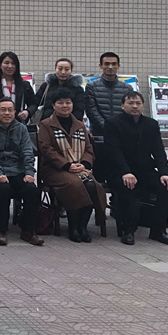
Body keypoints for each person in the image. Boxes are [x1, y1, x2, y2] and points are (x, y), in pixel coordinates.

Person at [104, 91, 168, 246]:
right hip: (119, 171)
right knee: (128, 188)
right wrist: (125, 171)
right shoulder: (112, 123)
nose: (135, 106)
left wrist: (164, 173)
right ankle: (128, 231)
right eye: (130, 103)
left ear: (143, 106)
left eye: (138, 103)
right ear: (122, 105)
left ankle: (158, 230)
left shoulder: (151, 124)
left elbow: (158, 150)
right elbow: (113, 151)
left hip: (145, 171)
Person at [38, 88, 106, 243]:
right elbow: (47, 149)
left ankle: (83, 227)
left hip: (79, 168)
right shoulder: (46, 124)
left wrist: (84, 164)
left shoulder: (80, 125)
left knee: (92, 186)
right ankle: (73, 227)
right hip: (54, 170)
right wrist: (67, 165)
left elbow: (89, 149)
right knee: (75, 184)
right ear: (54, 105)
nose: (65, 106)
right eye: (60, 102)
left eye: (68, 102)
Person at [0, 98, 43, 246]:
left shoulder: (21, 129)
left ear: (15, 112)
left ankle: (28, 230)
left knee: (32, 190)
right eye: (3, 110)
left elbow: (27, 152)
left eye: (10, 110)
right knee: (3, 189)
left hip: (17, 171)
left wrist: (29, 173)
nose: (7, 113)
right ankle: (2, 230)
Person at [85, 52, 132, 181]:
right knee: (99, 172)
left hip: (121, 135)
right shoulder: (91, 87)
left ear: (118, 66)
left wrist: (118, 128)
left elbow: (129, 111)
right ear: (100, 66)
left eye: (113, 64)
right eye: (106, 64)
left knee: (119, 170)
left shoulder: (127, 88)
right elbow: (91, 110)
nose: (110, 67)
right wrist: (108, 127)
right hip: (99, 135)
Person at [0, 51, 37, 122]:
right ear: (0, 65)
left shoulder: (25, 85)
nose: (10, 66)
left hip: (19, 123)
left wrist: (27, 112)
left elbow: (34, 104)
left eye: (13, 63)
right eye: (6, 63)